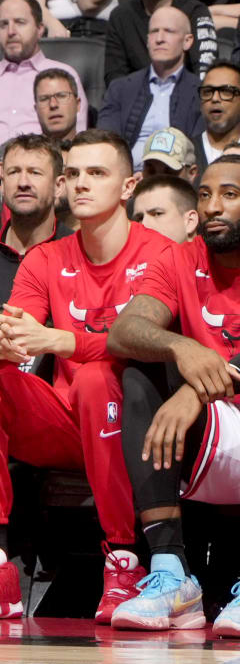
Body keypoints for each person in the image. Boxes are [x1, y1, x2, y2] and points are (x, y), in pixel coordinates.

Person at [104, 157, 240, 635]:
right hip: (215, 435)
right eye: (204, 195)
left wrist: (198, 392)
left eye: (230, 194)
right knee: (138, 375)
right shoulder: (183, 256)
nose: (213, 206)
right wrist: (181, 346)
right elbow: (125, 329)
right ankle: (171, 574)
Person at [0, 0, 87, 146]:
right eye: (3, 24)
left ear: (40, 29)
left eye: (20, 22)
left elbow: (76, 139)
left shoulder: (63, 76)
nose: (11, 31)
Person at [0, 132, 68, 304]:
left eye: (35, 173)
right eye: (14, 172)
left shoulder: (81, 257)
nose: (23, 182)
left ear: (58, 186)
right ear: (1, 180)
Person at [101, 5, 204, 158]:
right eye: (154, 31)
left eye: (169, 31)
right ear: (148, 40)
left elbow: (199, 151)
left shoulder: (201, 92)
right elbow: (106, 143)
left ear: (187, 41)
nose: (159, 39)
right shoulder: (120, 89)